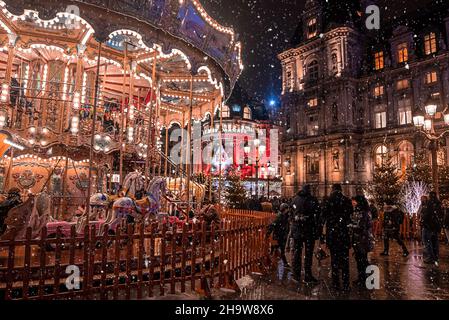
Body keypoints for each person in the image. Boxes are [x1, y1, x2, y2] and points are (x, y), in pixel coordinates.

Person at [322, 184, 353, 291]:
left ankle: (335, 283)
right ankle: (346, 283)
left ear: (332, 190)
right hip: (343, 233)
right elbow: (350, 215)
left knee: (334, 260)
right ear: (341, 190)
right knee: (345, 260)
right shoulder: (346, 200)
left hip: (332, 234)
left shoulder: (328, 200)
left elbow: (323, 216)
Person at [291, 185, 320, 284]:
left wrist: (297, 218)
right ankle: (307, 275)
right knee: (308, 254)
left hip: (298, 230)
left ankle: (296, 275)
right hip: (308, 230)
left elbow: (291, 214)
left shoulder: (295, 199)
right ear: (309, 190)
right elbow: (317, 215)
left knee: (297, 253)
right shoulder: (312, 200)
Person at [350, 195, 374, 287]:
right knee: (360, 259)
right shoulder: (359, 211)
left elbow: (361, 226)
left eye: (354, 201)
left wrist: (351, 226)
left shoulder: (363, 212)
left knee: (362, 259)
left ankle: (366, 278)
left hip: (362, 239)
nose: (353, 203)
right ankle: (362, 278)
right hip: (359, 239)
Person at [419, 192, 443, 265]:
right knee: (434, 242)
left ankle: (430, 257)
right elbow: (440, 215)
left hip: (428, 226)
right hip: (435, 226)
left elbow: (427, 214)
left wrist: (422, 220)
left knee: (427, 241)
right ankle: (435, 256)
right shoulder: (438, 204)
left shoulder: (429, 204)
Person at [267, 203, 291, 267]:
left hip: (282, 236)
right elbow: (273, 225)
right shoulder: (279, 217)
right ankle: (271, 262)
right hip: (278, 236)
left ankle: (283, 263)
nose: (288, 211)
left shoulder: (285, 216)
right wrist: (268, 232)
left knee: (279, 250)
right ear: (284, 209)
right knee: (275, 250)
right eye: (286, 209)